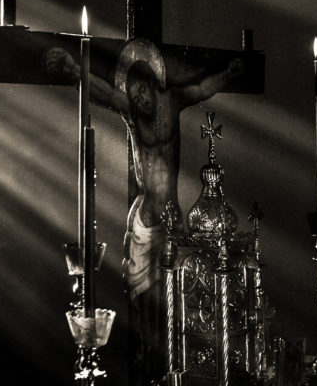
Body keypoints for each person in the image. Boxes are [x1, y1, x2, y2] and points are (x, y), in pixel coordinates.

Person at [44, 38, 243, 375]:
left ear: (154, 84)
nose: (140, 101)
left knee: (173, 299)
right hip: (144, 219)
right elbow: (103, 92)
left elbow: (201, 89)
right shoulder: (131, 110)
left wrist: (228, 74)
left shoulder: (172, 100)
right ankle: (145, 360)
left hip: (171, 219)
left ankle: (168, 367)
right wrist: (74, 69)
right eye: (134, 96)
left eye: (143, 94)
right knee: (141, 300)